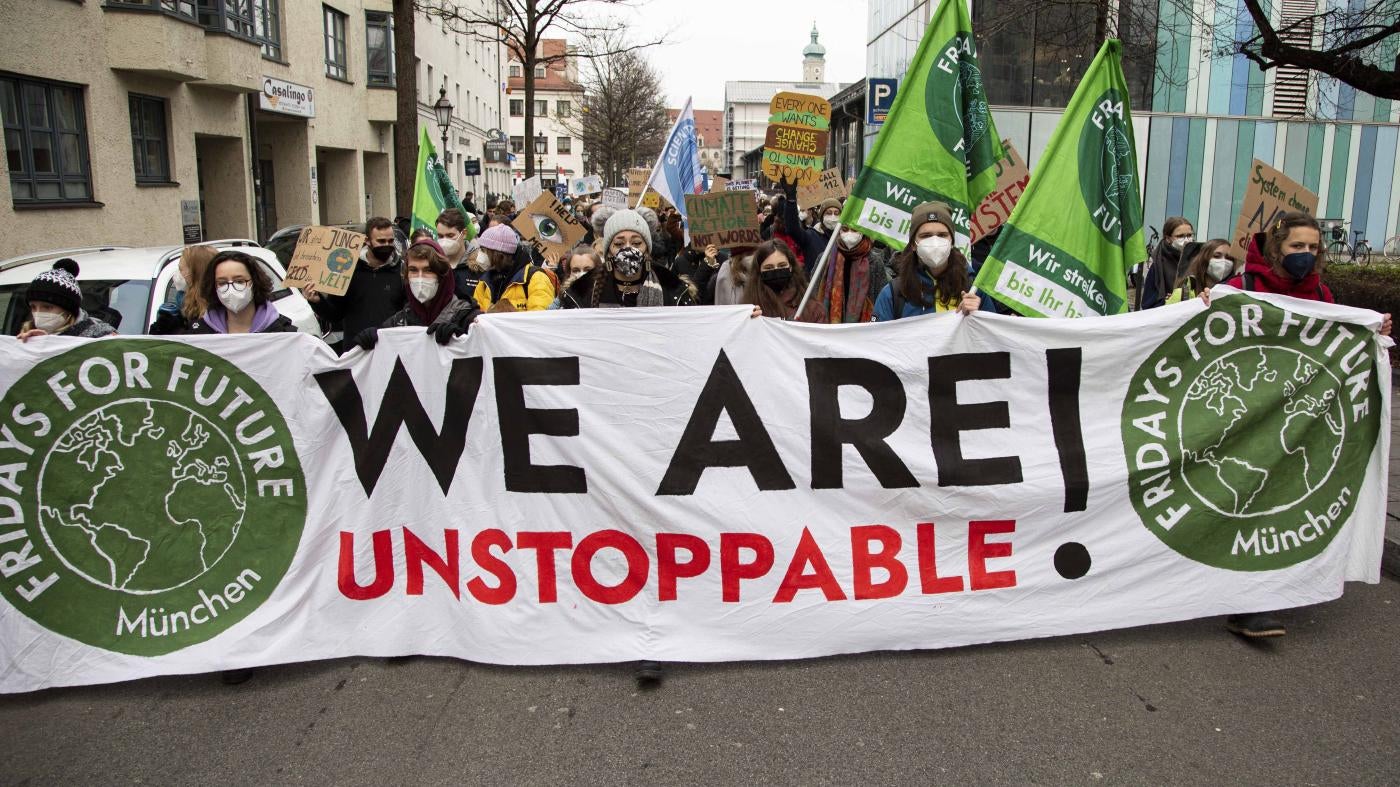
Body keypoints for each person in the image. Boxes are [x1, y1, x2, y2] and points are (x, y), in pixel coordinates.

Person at [1199, 212, 1391, 638]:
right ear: (1276, 249)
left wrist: (1372, 330)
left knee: (1283, 502)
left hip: (1301, 421)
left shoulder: (1322, 294)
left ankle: (1263, 597)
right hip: (1246, 417)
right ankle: (1245, 597)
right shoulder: (1241, 289)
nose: (1306, 255)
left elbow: (1343, 342)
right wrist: (1205, 306)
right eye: (1296, 247)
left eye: (1312, 248)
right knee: (1247, 499)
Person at [352, 239, 481, 350]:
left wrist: (464, 337)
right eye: (413, 270)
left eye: (428, 270)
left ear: (442, 275)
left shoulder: (467, 316)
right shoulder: (398, 322)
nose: (420, 278)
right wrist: (374, 340)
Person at [302, 216, 405, 349]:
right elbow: (335, 314)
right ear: (367, 241)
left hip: (390, 349)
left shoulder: (402, 272)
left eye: (390, 241)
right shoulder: (349, 270)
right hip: (355, 351)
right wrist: (317, 302)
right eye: (381, 241)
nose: (386, 245)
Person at [872, 202, 988, 320]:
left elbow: (993, 334)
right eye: (926, 235)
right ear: (913, 244)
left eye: (942, 235)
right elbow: (878, 337)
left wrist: (977, 316)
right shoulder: (893, 294)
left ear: (952, 242)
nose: (935, 242)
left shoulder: (972, 289)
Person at [563, 209, 696, 308]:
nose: (628, 249)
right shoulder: (581, 290)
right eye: (619, 244)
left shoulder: (673, 288)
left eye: (636, 243)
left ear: (647, 250)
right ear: (608, 251)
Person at [185, 250, 298, 334]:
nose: (231, 288)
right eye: (222, 283)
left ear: (254, 282)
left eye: (239, 281)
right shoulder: (199, 334)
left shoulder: (282, 332)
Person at [16, 259, 116, 341]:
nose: (38, 313)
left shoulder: (100, 336)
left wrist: (51, 346)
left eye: (47, 307)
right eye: (33, 307)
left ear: (68, 309)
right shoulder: (28, 336)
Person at [815, 225, 890, 323]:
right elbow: (814, 291)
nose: (849, 233)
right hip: (830, 326)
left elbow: (880, 297)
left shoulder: (874, 261)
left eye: (855, 230)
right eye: (845, 229)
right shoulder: (825, 258)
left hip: (863, 327)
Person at [471, 224, 555, 312]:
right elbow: (477, 316)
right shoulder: (485, 281)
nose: (479, 255)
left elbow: (540, 319)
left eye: (483, 250)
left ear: (497, 254)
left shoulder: (535, 278)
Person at [741, 240, 824, 322]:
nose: (776, 270)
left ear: (790, 267)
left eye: (782, 265)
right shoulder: (751, 309)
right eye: (768, 268)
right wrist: (751, 321)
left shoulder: (813, 309)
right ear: (759, 271)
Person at [150, 244, 219, 334]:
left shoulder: (217, 310)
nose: (177, 274)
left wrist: (177, 332)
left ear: (197, 273)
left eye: (181, 269)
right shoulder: (186, 302)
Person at [1139, 217, 1196, 309]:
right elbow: (1148, 303)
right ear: (1168, 238)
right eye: (1180, 236)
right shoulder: (1159, 265)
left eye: (1189, 235)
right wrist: (1167, 302)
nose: (1186, 240)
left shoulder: (1198, 260)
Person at [1165, 239, 1236, 304]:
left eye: (1229, 258)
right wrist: (1197, 305)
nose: (1223, 261)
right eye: (1217, 256)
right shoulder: (1182, 294)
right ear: (1204, 259)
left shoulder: (1235, 293)